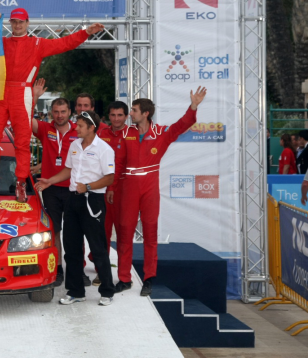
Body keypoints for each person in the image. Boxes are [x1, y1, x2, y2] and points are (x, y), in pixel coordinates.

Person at [0, 9, 104, 203]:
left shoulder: (38, 43)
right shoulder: (2, 42)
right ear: (10, 23)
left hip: (23, 93)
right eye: (14, 22)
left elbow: (64, 43)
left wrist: (86, 32)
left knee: (22, 142)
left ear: (27, 23)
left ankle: (21, 182)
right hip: (1, 92)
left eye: (21, 22)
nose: (17, 25)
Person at [116, 87, 207, 297]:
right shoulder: (126, 133)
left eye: (134, 110)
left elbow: (182, 124)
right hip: (128, 188)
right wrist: (113, 188)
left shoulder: (161, 133)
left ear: (145, 113)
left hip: (149, 189)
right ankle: (124, 278)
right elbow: (119, 164)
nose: (131, 114)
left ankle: (149, 278)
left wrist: (193, 106)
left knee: (150, 233)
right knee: (125, 232)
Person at [37, 111, 115, 306]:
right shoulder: (74, 145)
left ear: (91, 128)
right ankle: (76, 291)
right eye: (77, 125)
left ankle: (107, 291)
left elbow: (109, 178)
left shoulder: (104, 149)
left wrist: (88, 187)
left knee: (97, 247)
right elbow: (69, 170)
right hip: (73, 199)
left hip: (92, 200)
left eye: (80, 126)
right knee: (71, 248)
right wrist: (50, 181)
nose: (76, 128)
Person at [31, 93, 80, 286]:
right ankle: (58, 269)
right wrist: (34, 97)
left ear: (70, 112)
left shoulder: (79, 130)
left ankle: (76, 270)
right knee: (55, 231)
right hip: (49, 188)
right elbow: (25, 118)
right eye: (56, 112)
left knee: (74, 233)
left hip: (73, 188)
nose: (60, 115)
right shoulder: (46, 129)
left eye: (63, 111)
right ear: (51, 112)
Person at [95, 100, 129, 285]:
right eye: (113, 115)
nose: (116, 119)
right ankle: (102, 272)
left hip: (124, 191)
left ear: (126, 116)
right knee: (102, 233)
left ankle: (124, 277)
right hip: (103, 189)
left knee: (123, 234)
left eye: (120, 115)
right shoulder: (101, 134)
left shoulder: (132, 134)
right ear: (108, 116)